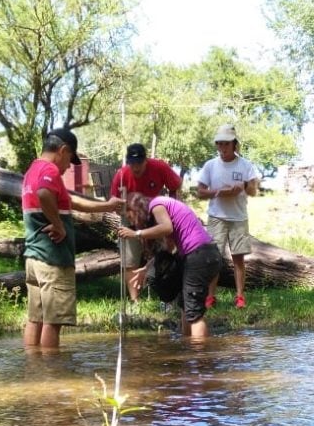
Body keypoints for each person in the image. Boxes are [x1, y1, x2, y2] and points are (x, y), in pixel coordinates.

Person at [21, 128, 124, 348]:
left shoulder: (33, 169)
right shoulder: (49, 170)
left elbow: (71, 201)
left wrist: (107, 205)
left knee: (35, 319)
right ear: (63, 150)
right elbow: (44, 194)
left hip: (34, 257)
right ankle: (53, 376)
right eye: (70, 159)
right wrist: (58, 225)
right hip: (53, 259)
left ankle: (33, 372)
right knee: (53, 322)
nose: (69, 165)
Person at [117, 192, 221, 339]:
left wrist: (136, 234)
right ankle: (188, 349)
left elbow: (167, 228)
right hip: (202, 255)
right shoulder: (162, 209)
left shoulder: (157, 204)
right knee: (185, 305)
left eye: (130, 217)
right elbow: (169, 249)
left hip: (200, 255)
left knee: (194, 314)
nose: (133, 223)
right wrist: (146, 268)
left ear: (134, 209)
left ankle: (200, 358)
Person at [196, 125, 260, 309]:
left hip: (238, 217)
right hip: (216, 216)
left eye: (226, 144)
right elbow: (200, 192)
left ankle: (240, 296)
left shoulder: (246, 165)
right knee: (214, 257)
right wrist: (218, 192)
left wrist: (244, 186)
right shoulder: (210, 165)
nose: (222, 148)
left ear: (234, 145)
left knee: (238, 257)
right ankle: (210, 296)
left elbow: (253, 191)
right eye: (219, 144)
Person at [109, 143, 182, 301]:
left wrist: (173, 209)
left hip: (156, 214)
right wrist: (130, 215)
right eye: (132, 164)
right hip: (130, 216)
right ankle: (135, 301)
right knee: (130, 259)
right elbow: (114, 203)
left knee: (166, 253)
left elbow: (175, 185)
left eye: (139, 163)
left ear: (146, 160)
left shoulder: (159, 167)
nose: (136, 168)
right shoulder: (121, 175)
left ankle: (167, 296)